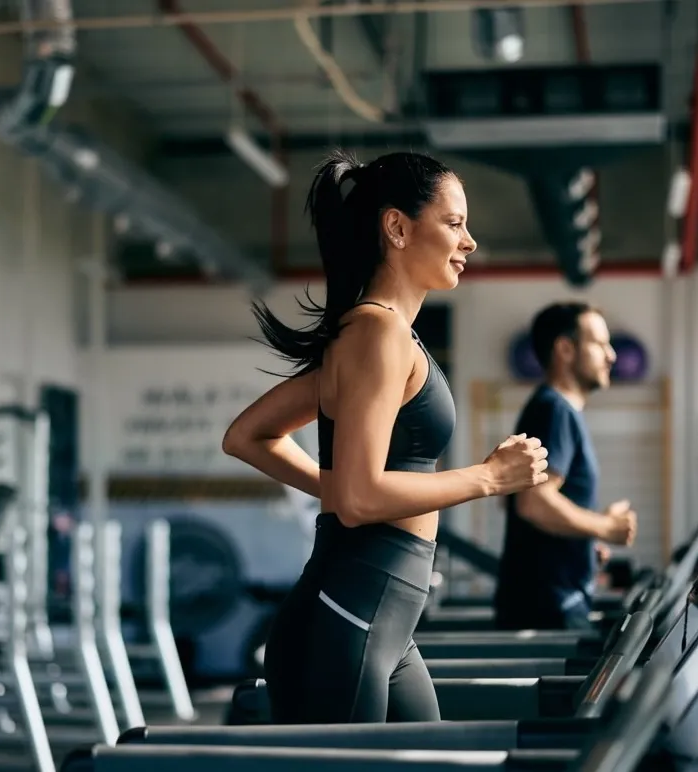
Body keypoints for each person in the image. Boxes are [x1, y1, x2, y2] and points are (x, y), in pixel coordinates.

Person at [222, 149, 549, 725]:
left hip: (376, 618)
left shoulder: (379, 333)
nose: (469, 241)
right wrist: (486, 478)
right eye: (454, 223)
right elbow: (359, 500)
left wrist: (338, 486)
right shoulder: (376, 333)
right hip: (349, 616)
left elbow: (250, 436)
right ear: (397, 227)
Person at [493, 302, 637, 631]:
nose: (612, 355)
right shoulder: (554, 410)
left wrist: (583, 539)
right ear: (565, 349)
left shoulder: (557, 411)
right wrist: (605, 528)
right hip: (548, 608)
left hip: (553, 600)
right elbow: (533, 503)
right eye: (600, 344)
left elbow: (519, 498)